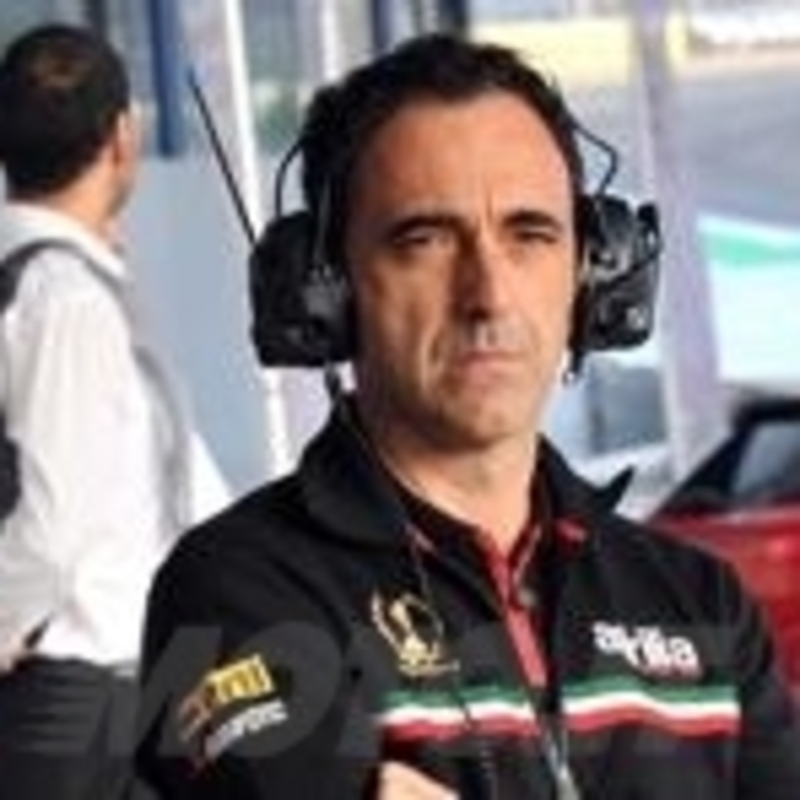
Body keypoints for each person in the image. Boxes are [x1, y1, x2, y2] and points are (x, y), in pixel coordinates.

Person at [135, 33, 800, 799]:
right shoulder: (231, 594)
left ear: (594, 277)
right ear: (326, 289)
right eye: (424, 240)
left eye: (530, 235)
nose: (488, 294)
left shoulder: (699, 602)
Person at [0, 23, 227, 800]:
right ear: (122, 137)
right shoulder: (64, 299)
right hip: (83, 700)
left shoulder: (56, 283)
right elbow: (52, 519)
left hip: (121, 692)